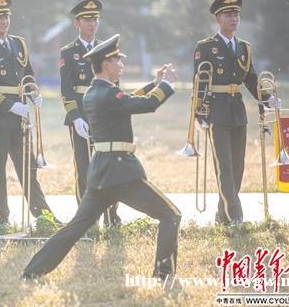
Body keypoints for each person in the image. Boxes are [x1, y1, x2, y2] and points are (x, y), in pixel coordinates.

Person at [22, 34, 181, 282]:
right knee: (171, 215)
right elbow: (144, 105)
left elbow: (127, 101)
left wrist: (154, 83)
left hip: (101, 174)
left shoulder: (97, 92)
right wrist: (167, 85)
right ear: (106, 63)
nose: (122, 65)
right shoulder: (107, 94)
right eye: (118, 60)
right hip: (121, 174)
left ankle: (31, 272)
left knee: (74, 229)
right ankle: (163, 275)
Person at [193, 0, 281, 226]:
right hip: (216, 111)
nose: (234, 18)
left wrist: (268, 99)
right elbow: (199, 82)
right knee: (225, 166)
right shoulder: (206, 47)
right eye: (229, 15)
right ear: (218, 18)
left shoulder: (244, 48)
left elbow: (251, 79)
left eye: (237, 14)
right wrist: (199, 113)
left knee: (238, 165)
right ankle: (236, 215)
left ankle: (222, 216)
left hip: (237, 111)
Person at [0, 0, 59, 225]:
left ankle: (43, 216)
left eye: (7, 16)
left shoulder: (19, 43)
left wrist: (34, 94)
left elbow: (27, 73)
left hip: (21, 119)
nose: (5, 21)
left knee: (28, 170)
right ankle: (1, 219)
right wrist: (11, 106)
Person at [59, 0, 120, 226]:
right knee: (84, 168)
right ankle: (86, 219)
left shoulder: (108, 49)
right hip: (82, 116)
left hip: (105, 115)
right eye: (87, 19)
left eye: (95, 19)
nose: (92, 23)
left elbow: (116, 83)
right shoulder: (68, 52)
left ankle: (112, 216)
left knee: (110, 166)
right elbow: (66, 89)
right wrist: (75, 117)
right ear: (77, 23)